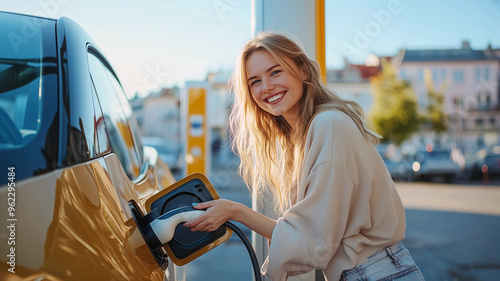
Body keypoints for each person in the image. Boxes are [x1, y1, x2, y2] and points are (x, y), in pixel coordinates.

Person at [183, 32, 425, 281]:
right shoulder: (304, 137)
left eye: (275, 72)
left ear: (303, 71)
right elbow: (308, 235)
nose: (266, 87)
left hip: (376, 272)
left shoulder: (328, 125)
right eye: (255, 81)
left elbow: (311, 240)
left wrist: (236, 211)